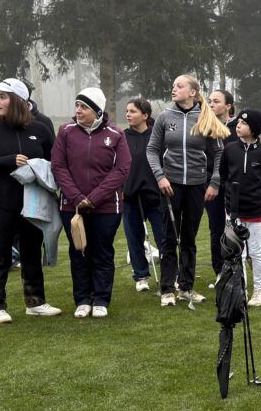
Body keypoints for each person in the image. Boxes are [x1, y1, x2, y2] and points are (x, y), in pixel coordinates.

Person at [0, 78, 61, 324]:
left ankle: (36, 302)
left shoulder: (40, 129)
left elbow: (55, 163)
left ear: (18, 100)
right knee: (0, 254)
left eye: (3, 97)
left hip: (34, 204)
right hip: (2, 203)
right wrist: (8, 160)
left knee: (32, 251)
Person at [146, 75, 229, 307]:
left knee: (189, 238)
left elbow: (220, 152)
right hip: (170, 185)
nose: (174, 89)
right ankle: (166, 289)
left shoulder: (205, 115)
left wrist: (214, 182)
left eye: (179, 86)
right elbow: (152, 150)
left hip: (197, 185)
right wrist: (160, 177)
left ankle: (186, 287)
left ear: (193, 92)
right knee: (169, 237)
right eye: (173, 86)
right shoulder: (164, 116)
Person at [51, 88, 130, 318]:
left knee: (102, 251)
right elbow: (58, 165)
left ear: (97, 111)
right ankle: (83, 299)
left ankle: (101, 299)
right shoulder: (65, 131)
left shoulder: (116, 134)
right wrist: (77, 197)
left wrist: (93, 198)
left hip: (106, 207)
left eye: (84, 107)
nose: (78, 110)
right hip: (72, 206)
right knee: (79, 251)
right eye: (77, 105)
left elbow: (122, 169)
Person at [214, 109, 261, 307]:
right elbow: (224, 174)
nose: (238, 127)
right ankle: (240, 290)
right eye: (238, 124)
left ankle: (260, 290)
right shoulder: (230, 149)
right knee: (238, 253)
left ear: (254, 129)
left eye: (243, 124)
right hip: (233, 210)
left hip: (255, 209)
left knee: (255, 251)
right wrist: (228, 198)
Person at [121, 98, 165, 293]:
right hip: (130, 196)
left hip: (156, 196)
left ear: (145, 115)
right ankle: (141, 275)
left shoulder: (158, 135)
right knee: (134, 238)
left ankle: (171, 274)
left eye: (133, 111)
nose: (128, 115)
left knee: (164, 238)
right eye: (127, 111)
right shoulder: (122, 137)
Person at [206, 89, 238, 283]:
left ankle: (250, 267)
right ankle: (219, 270)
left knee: (238, 228)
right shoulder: (205, 128)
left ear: (228, 106)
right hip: (211, 185)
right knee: (216, 228)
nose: (211, 105)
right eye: (210, 101)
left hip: (235, 186)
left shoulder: (238, 128)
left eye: (216, 101)